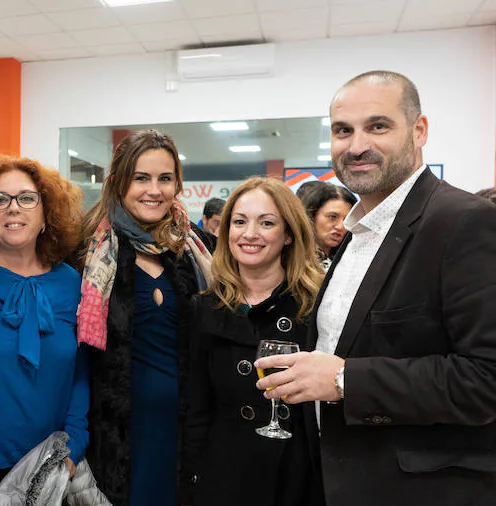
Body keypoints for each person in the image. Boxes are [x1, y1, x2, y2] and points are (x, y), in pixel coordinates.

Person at [256, 70, 496, 506]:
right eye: (342, 131)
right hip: (338, 481)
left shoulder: (465, 221)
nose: (357, 145)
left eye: (378, 126)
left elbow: (485, 379)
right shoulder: (357, 233)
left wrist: (346, 378)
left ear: (419, 130)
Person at [0, 156, 89, 505]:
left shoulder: (70, 282)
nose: (13, 209)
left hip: (47, 465)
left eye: (27, 198)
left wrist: (74, 446)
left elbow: (81, 372)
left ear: (45, 214)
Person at [77, 129, 212, 506]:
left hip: (184, 433)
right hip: (110, 438)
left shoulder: (194, 252)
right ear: (119, 182)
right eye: (141, 178)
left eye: (165, 179)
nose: (154, 190)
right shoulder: (85, 252)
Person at [181, 177, 324, 506]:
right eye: (239, 222)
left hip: (297, 474)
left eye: (267, 223)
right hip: (225, 474)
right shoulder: (205, 307)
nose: (249, 234)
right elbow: (196, 407)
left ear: (288, 234)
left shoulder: (315, 306)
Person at [301, 183, 357, 270]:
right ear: (312, 216)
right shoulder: (295, 261)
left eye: (347, 220)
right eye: (332, 217)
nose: (341, 227)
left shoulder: (349, 260)